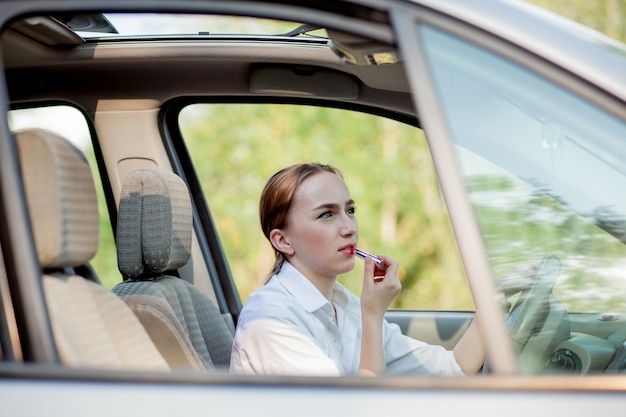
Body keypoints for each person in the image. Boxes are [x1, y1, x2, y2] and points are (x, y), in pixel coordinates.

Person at [230, 163, 485, 376]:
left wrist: (494, 305)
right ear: (283, 241)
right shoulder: (271, 322)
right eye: (326, 215)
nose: (349, 227)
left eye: (350, 210)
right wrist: (372, 316)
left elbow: (451, 370)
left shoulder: (343, 307)